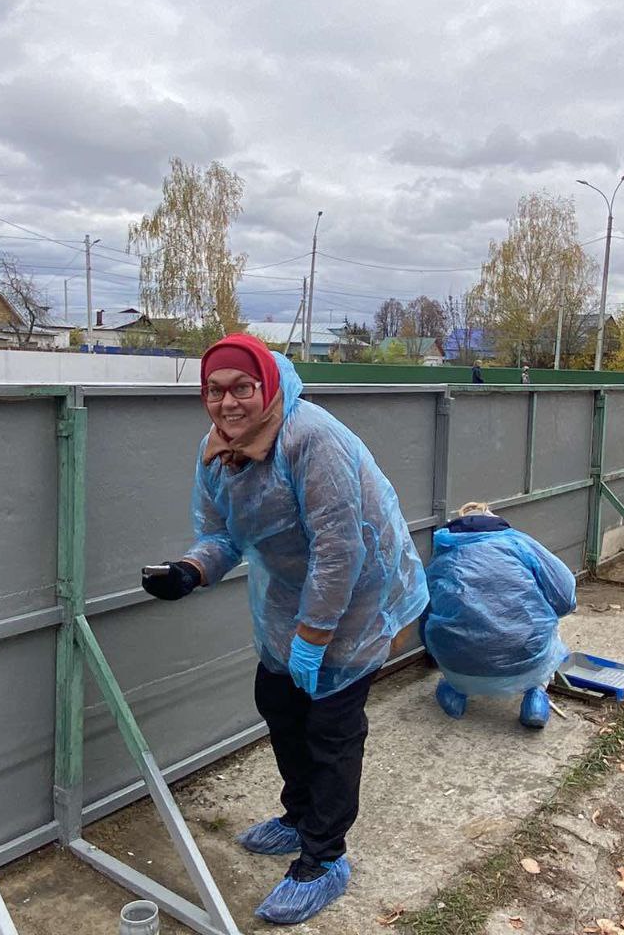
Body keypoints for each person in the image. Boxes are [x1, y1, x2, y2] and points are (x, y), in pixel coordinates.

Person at [141, 333, 428, 925]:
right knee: (277, 700)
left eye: (241, 388)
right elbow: (222, 536)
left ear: (266, 386)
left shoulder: (310, 438)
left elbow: (339, 550)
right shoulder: (219, 449)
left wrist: (316, 637)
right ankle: (299, 816)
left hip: (359, 600)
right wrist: (190, 571)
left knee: (331, 727)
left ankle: (324, 859)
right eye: (215, 391)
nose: (228, 403)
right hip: (287, 600)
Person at [423, 502, 575, 729]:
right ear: (494, 520)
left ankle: (455, 693)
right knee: (548, 623)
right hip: (525, 662)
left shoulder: (444, 551)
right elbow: (565, 597)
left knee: (448, 627)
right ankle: (535, 695)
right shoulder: (519, 543)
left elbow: (425, 610)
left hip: (457, 663)